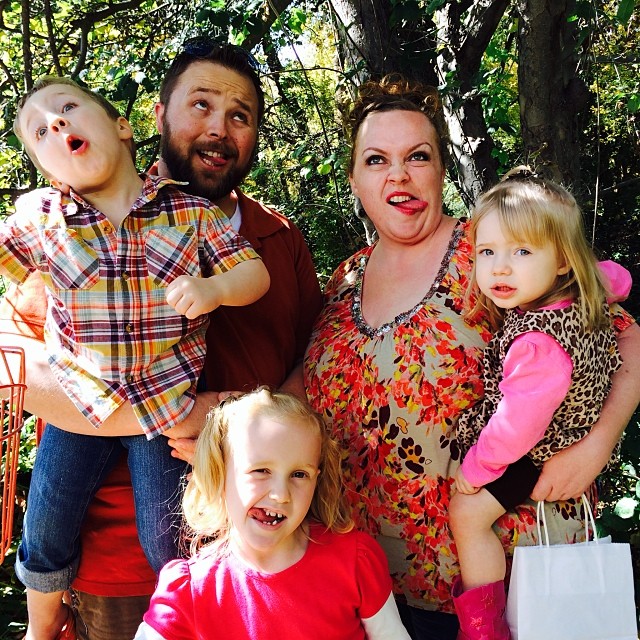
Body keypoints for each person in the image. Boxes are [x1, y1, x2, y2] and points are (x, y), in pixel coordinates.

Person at [0, 40, 322, 639]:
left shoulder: (278, 238)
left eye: (239, 114)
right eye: (200, 104)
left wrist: (225, 416)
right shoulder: (49, 226)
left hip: (243, 567)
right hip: (108, 574)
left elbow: (316, 366)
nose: (218, 128)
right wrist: (156, 415)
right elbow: (10, 364)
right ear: (154, 116)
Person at [302, 75, 640, 640]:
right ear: (356, 179)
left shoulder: (491, 249)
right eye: (376, 159)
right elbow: (307, 382)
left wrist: (600, 442)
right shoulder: (345, 277)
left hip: (510, 577)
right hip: (377, 591)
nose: (400, 174)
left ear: (440, 168)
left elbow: (624, 334)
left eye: (418, 156)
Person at [449, 167, 631, 639]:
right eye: (487, 252)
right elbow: (618, 278)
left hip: (539, 451)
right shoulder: (586, 291)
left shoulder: (536, 343)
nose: (500, 268)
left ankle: (484, 629)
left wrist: (475, 470)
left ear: (564, 260)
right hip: (563, 431)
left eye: (521, 251)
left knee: (467, 519)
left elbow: (517, 426)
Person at [134, 388, 411, 640]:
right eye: (261, 471)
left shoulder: (354, 561)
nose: (281, 494)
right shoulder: (189, 592)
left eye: (299, 474)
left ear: (317, 480)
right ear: (219, 471)